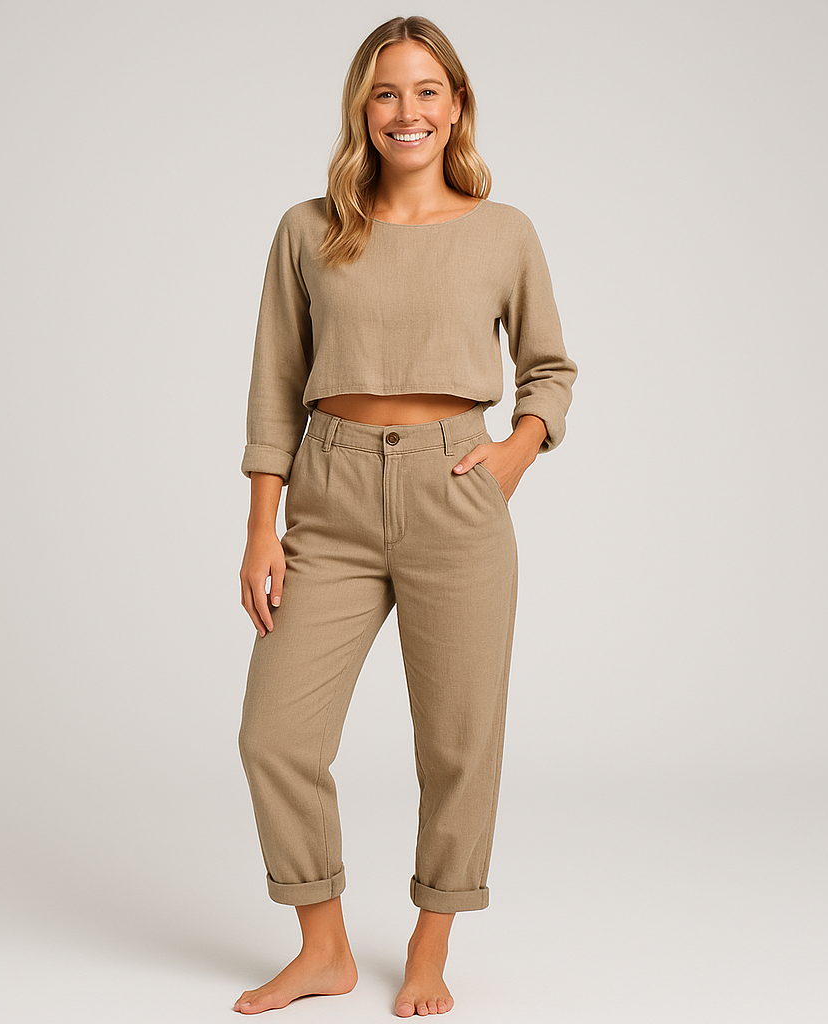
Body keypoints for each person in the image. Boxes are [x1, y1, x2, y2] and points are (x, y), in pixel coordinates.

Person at [233, 15, 577, 1017]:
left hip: (453, 492)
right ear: (362, 109)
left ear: (457, 106)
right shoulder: (308, 229)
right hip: (330, 495)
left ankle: (431, 947)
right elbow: (275, 384)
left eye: (428, 91)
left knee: (458, 742)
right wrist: (261, 525)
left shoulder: (503, 231)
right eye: (386, 92)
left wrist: (516, 451)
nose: (407, 111)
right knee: (274, 736)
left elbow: (550, 369)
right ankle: (324, 950)